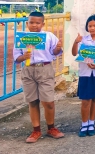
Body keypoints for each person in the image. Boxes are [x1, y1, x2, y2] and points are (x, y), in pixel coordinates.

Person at [12, 11, 64, 143]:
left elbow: (55, 52)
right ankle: (36, 130)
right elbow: (17, 58)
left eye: (37, 23)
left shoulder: (49, 36)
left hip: (45, 69)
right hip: (28, 70)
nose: (34, 25)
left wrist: (58, 47)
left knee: (49, 102)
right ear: (27, 23)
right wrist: (24, 57)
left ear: (42, 23)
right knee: (33, 101)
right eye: (31, 22)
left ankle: (51, 128)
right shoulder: (21, 38)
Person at [71, 15, 95, 137]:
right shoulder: (83, 40)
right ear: (87, 27)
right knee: (85, 100)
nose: (92, 28)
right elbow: (74, 53)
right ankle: (84, 124)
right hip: (85, 74)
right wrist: (76, 42)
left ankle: (91, 123)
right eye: (90, 26)